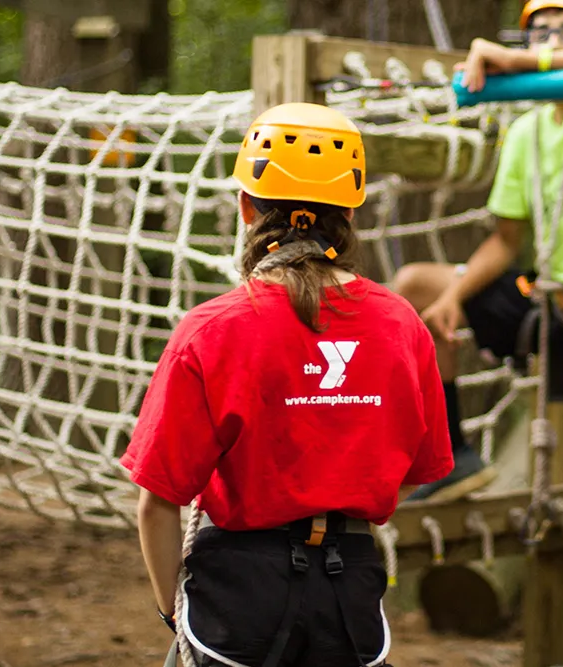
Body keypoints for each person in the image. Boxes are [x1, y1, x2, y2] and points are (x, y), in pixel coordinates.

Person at [122, 102, 454, 667]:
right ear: (350, 213)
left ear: (246, 205)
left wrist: (173, 614)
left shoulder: (212, 329)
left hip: (238, 593)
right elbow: (413, 471)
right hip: (348, 592)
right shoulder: (401, 324)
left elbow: (157, 502)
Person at [391, 0, 563, 502]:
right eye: (538, 33)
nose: (550, 42)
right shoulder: (527, 132)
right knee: (417, 287)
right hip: (546, 310)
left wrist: (529, 64)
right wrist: (454, 296)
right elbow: (505, 241)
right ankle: (452, 455)